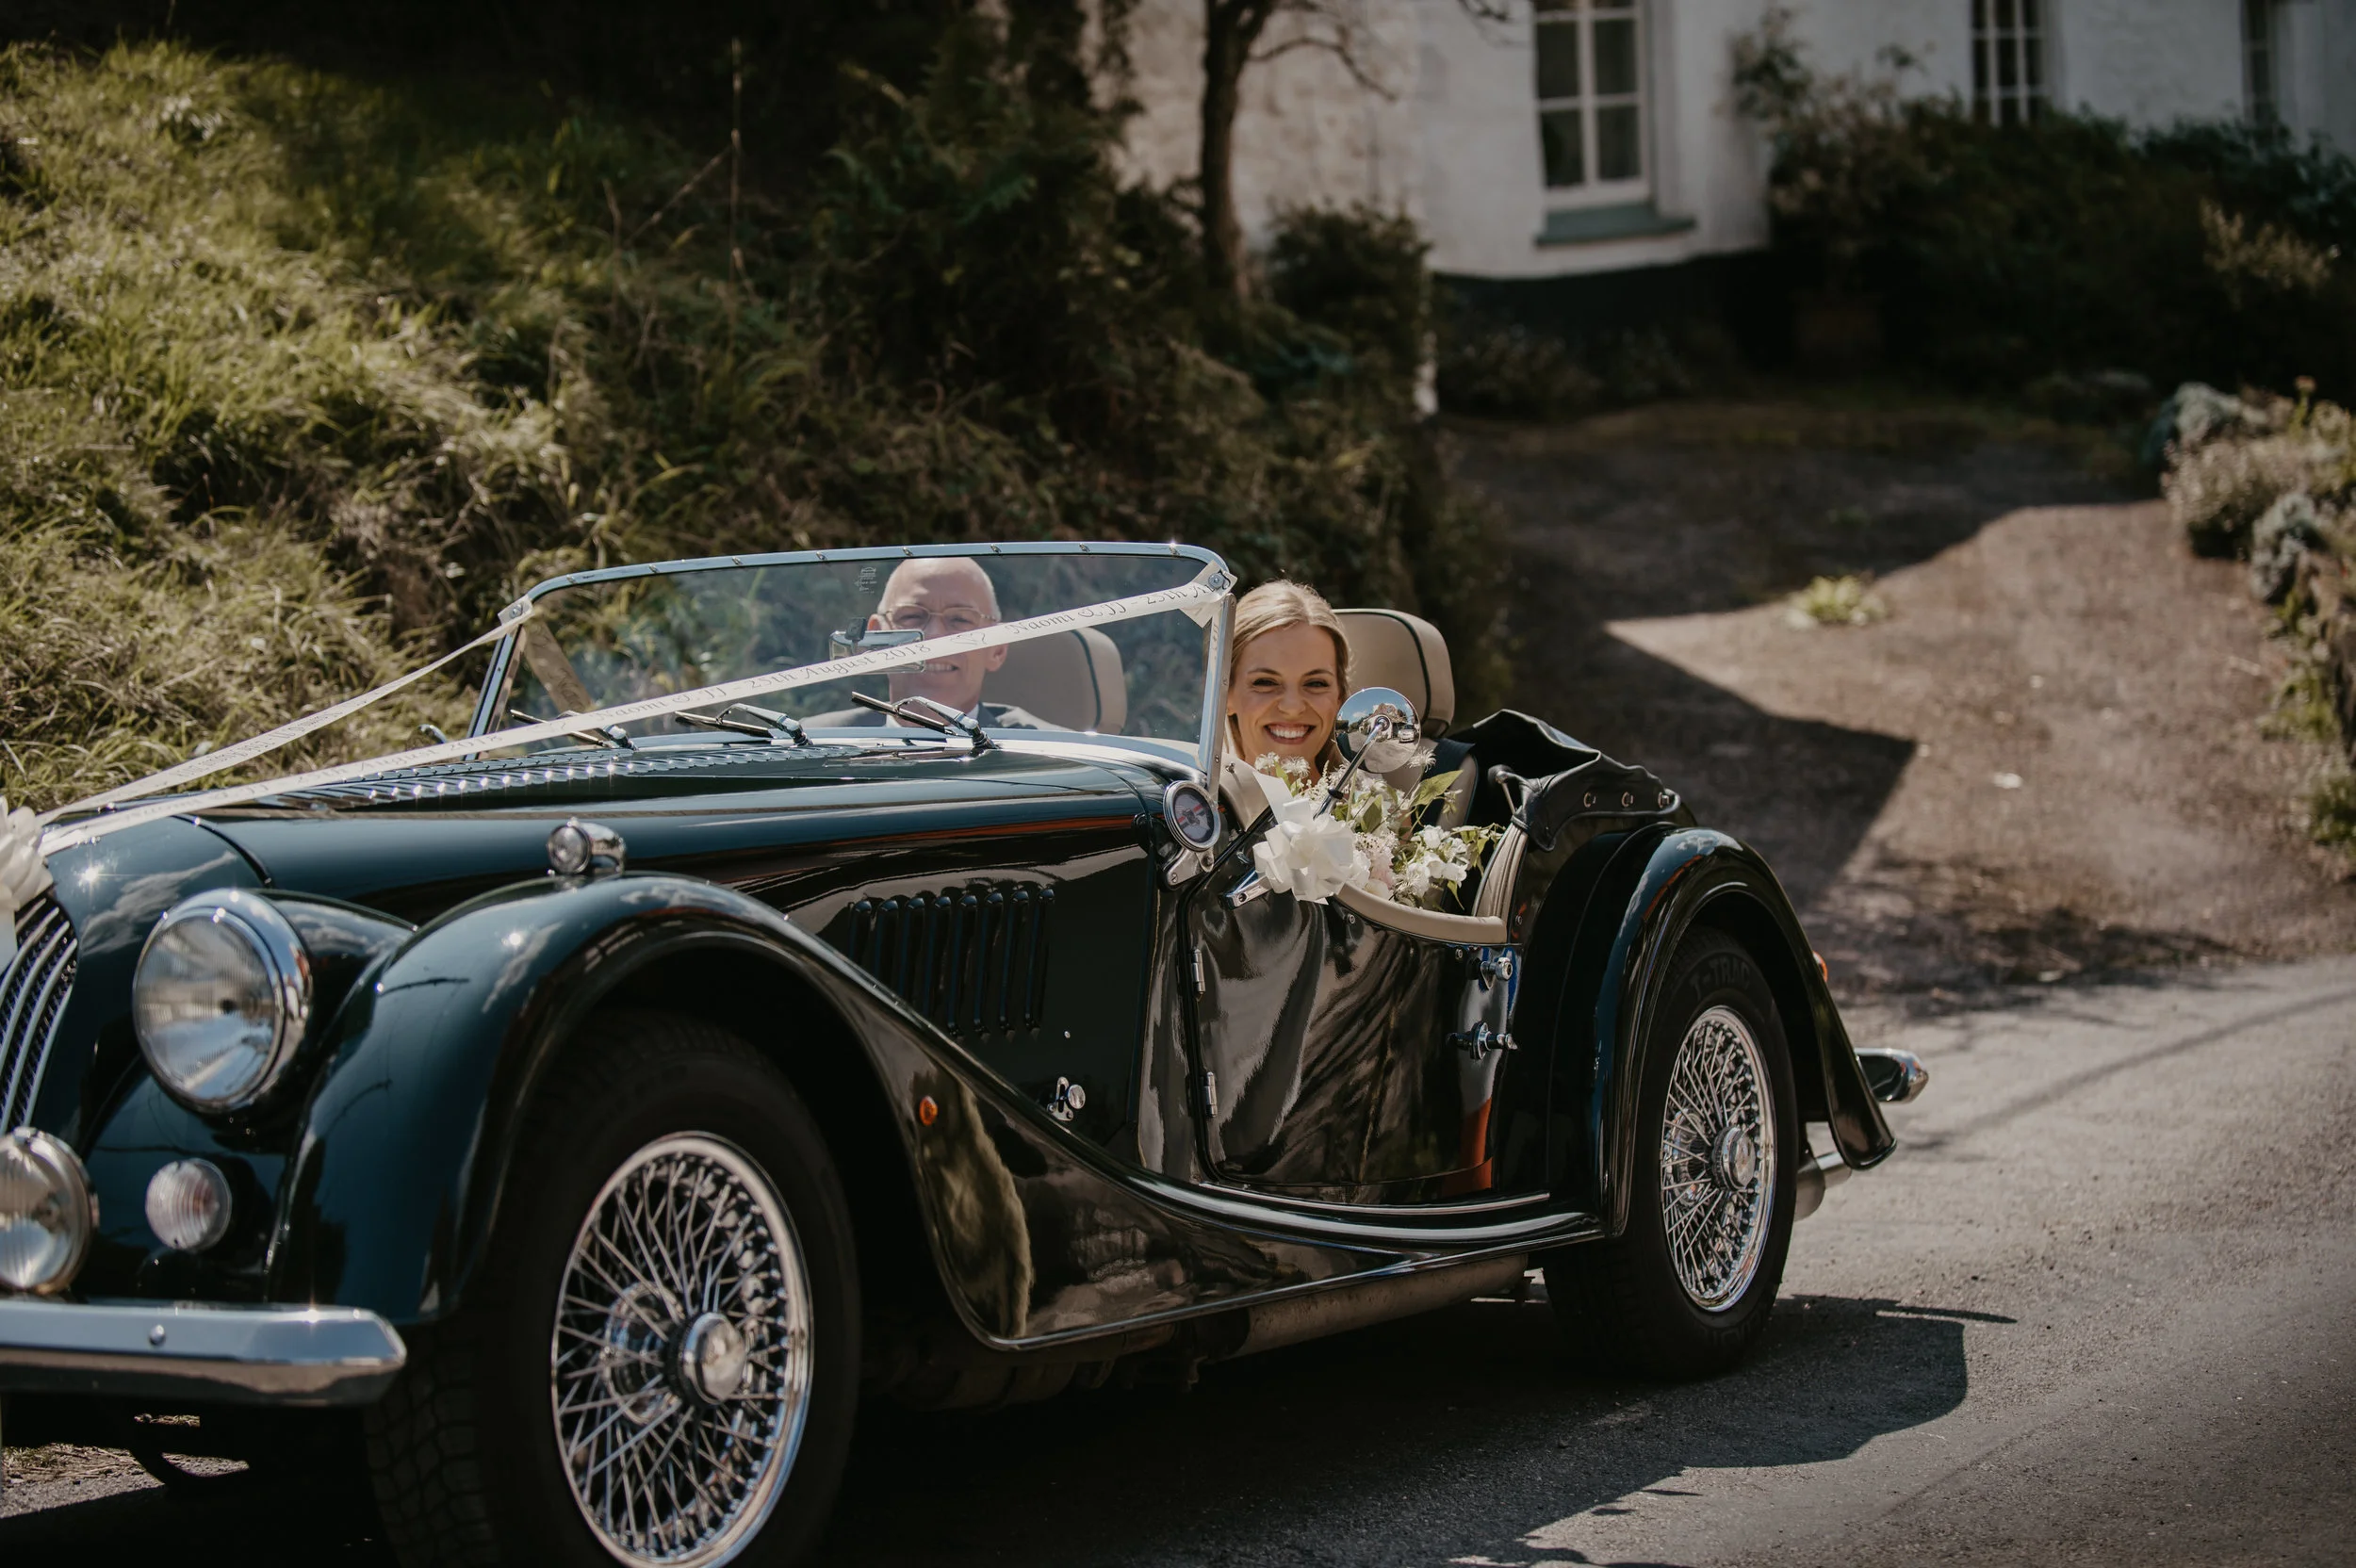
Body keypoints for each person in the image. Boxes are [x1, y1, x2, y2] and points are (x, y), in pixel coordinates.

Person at [823, 556, 1043, 729]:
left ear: (997, 649)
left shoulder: (1049, 758)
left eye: (960, 619)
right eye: (911, 617)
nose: (934, 636)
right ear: (875, 638)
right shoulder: (813, 746)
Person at [1225, 580, 1350, 771]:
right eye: (1265, 682)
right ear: (1225, 694)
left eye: (1316, 684)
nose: (1292, 708)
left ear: (1339, 697)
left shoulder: (1376, 801)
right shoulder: (1185, 799)